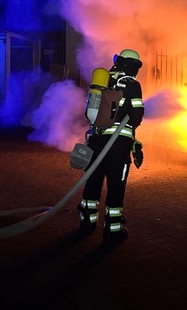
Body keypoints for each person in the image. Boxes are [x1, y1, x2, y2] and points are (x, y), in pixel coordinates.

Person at [77, 49, 145, 245]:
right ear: (134, 67)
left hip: (96, 142)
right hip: (118, 147)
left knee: (93, 184)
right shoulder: (132, 85)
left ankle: (87, 223)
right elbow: (136, 115)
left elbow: (90, 112)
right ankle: (112, 231)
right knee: (115, 188)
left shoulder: (103, 79)